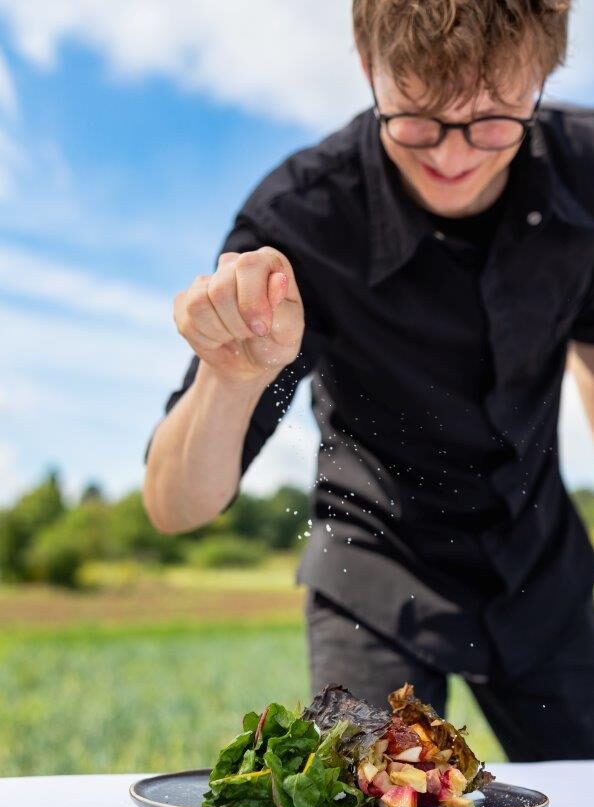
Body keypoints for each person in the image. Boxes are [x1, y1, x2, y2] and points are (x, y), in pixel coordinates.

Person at [143, 0, 594, 760]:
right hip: (371, 572)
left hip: (540, 564)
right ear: (367, 69)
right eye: (415, 118)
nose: (452, 157)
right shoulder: (300, 220)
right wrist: (230, 377)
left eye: (492, 122)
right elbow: (174, 507)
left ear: (542, 83)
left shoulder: (585, 173)